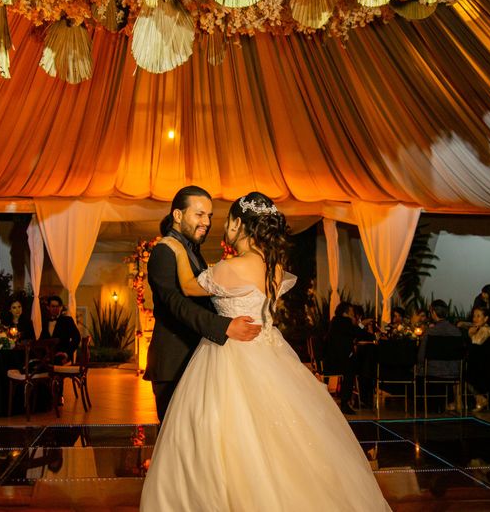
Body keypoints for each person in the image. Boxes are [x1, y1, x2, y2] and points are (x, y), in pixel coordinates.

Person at [140, 192, 390, 511]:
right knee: (276, 438)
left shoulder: (229, 266)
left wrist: (175, 249)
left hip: (228, 354)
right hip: (267, 352)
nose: (211, 223)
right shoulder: (272, 266)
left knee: (219, 437)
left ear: (238, 224)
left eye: (218, 218)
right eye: (200, 215)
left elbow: (187, 288)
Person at [143, 185, 261, 423]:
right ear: (177, 215)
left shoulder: (191, 250)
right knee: (177, 442)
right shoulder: (164, 251)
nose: (206, 221)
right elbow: (175, 303)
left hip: (198, 358)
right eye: (199, 214)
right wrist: (223, 326)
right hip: (174, 361)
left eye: (209, 216)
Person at [466, 305, 490, 411]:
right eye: (474, 316)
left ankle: (480, 399)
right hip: (487, 368)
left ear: (486, 318)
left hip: (484, 370)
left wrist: (470, 335)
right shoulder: (485, 329)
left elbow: (475, 346)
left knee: (461, 374)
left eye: (478, 316)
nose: (474, 319)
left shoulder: (485, 330)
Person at [44, 296, 81, 363]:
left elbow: (77, 338)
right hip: (47, 357)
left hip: (62, 357)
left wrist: (66, 354)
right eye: (53, 306)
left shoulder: (67, 320)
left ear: (61, 308)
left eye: (57, 306)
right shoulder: (44, 322)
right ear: (48, 307)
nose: (55, 308)